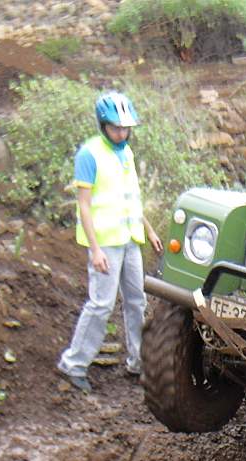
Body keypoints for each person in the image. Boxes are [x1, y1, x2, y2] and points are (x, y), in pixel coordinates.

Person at [57, 92, 163, 393]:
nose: (122, 133)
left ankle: (138, 361)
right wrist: (94, 249)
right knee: (101, 304)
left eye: (126, 128)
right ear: (103, 125)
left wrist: (150, 230)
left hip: (131, 239)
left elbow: (131, 200)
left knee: (136, 301)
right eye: (116, 128)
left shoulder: (126, 153)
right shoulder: (89, 155)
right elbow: (85, 206)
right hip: (105, 244)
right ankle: (73, 363)